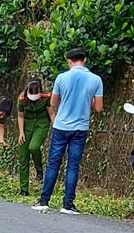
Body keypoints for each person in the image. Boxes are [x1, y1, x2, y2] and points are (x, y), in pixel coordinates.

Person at [35, 47, 104, 214]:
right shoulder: (96, 80)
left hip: (61, 126)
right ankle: (68, 204)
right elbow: (99, 108)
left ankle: (44, 200)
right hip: (80, 127)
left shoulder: (61, 78)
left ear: (69, 61)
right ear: (85, 60)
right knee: (73, 166)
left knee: (53, 164)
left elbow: (53, 103)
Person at [15, 78, 53, 196]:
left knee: (34, 147)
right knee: (23, 157)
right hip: (27, 124)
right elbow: (20, 116)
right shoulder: (22, 98)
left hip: (41, 123)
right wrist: (21, 132)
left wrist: (56, 129)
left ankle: (39, 170)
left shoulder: (47, 96)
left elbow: (51, 113)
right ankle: (24, 189)